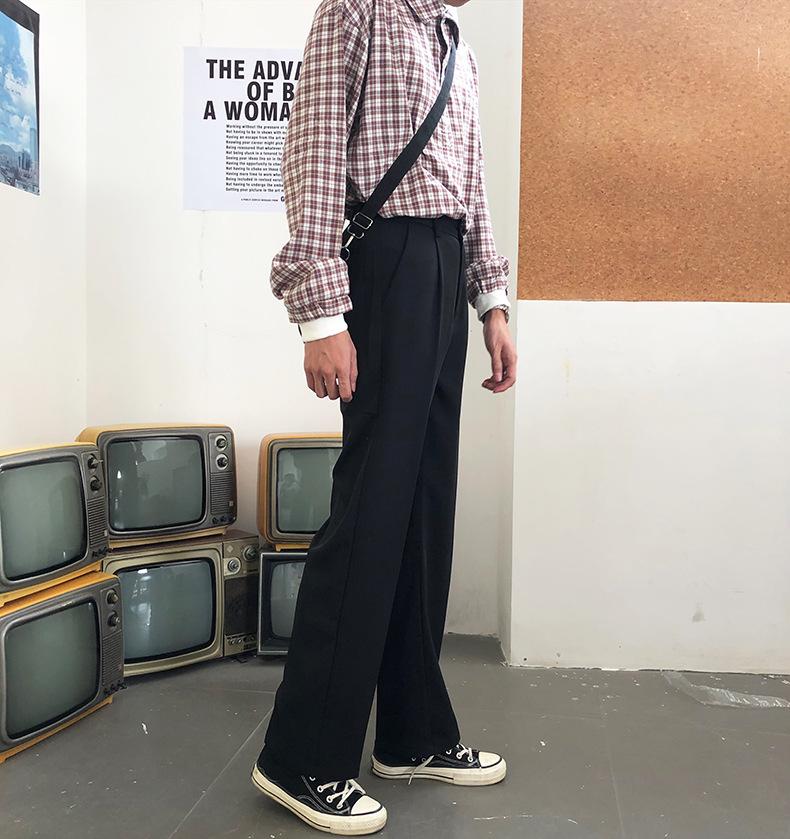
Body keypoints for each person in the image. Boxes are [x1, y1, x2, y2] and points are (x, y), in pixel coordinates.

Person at [252, 0, 517, 833]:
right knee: (370, 513)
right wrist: (320, 315)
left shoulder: (455, 44)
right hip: (386, 264)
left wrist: (492, 300)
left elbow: (471, 182)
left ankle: (412, 730)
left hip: (443, 265)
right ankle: (300, 756)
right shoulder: (356, 9)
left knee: (425, 513)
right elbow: (313, 152)